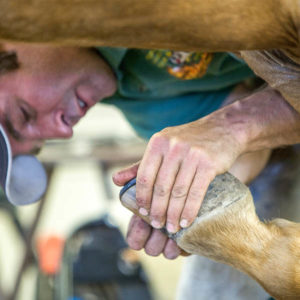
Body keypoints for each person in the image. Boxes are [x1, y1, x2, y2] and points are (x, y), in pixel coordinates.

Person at [0, 43, 299, 299]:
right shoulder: (141, 105)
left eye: (25, 114)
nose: (63, 132)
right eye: (39, 143)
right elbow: (259, 145)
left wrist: (229, 127)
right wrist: (195, 199)